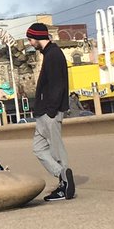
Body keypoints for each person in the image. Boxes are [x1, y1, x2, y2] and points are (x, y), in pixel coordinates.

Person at [26, 21, 75, 201]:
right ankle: (62, 174)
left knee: (55, 149)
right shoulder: (50, 54)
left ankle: (65, 184)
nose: (30, 43)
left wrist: (51, 110)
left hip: (49, 112)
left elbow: (57, 85)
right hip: (44, 112)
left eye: (31, 39)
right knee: (38, 148)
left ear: (38, 37)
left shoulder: (53, 55)